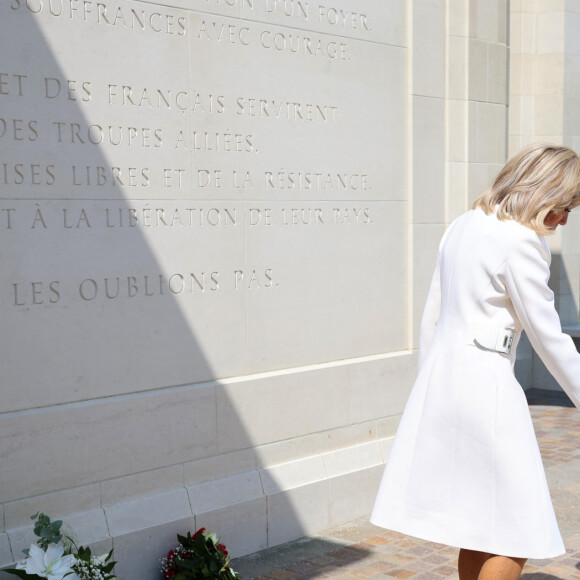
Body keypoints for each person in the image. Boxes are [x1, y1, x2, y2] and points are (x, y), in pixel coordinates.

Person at [371, 143, 580, 580]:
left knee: (481, 524)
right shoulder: (522, 241)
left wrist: (430, 387)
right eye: (564, 206)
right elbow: (550, 338)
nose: (565, 219)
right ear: (541, 191)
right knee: (519, 530)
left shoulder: (464, 225)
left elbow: (432, 315)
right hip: (488, 387)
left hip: (446, 381)